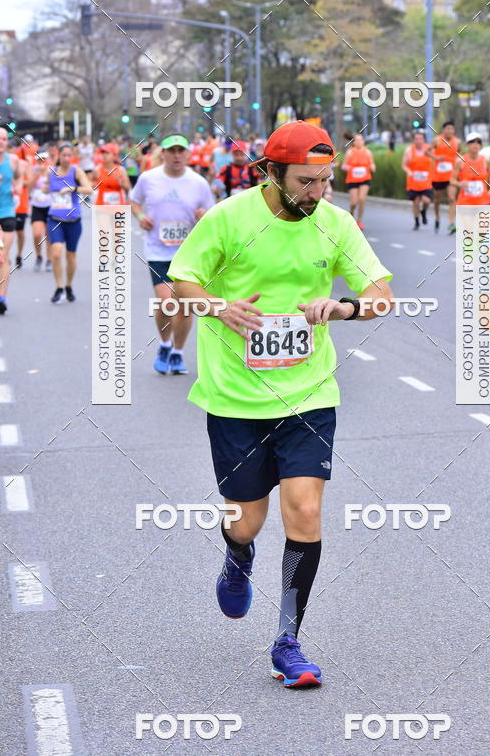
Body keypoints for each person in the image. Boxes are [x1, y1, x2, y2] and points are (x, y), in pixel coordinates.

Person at [168, 120, 393, 688]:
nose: (317, 192)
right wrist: (219, 307)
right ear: (271, 173)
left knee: (306, 510)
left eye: (325, 180)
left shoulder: (336, 223)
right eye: (305, 181)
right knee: (245, 523)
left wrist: (344, 308)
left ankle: (287, 641)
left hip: (309, 395)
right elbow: (183, 281)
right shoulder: (230, 219)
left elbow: (381, 297)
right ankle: (237, 557)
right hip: (236, 398)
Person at [130, 134, 215, 375]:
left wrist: (202, 216)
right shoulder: (148, 179)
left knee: (185, 306)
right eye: (172, 151)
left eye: (181, 150)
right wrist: (140, 217)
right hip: (158, 249)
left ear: (187, 154)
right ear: (163, 154)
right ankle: (165, 344)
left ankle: (177, 352)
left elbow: (212, 213)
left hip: (188, 252)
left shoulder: (199, 183)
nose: (176, 155)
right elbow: (134, 202)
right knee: (166, 303)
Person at [44, 143, 93, 303]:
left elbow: (89, 189)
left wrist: (73, 188)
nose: (66, 158)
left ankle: (68, 285)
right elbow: (46, 187)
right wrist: (44, 189)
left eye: (69, 156)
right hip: (55, 219)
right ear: (59, 155)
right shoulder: (51, 171)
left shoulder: (76, 171)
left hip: (73, 220)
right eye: (63, 155)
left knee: (71, 256)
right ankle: (59, 287)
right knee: (56, 253)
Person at [0, 126, 21, 313]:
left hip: (6, 212)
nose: (1, 141)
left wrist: (17, 187)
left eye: (4, 138)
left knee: (3, 255)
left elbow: (19, 178)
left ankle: (2, 297)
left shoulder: (13, 160)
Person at [427, 121, 460, 233]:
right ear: (443, 130)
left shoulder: (457, 142)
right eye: (447, 129)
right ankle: (437, 217)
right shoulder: (437, 140)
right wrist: (436, 157)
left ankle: (451, 223)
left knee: (452, 199)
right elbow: (427, 152)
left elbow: (460, 155)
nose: (450, 131)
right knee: (437, 200)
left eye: (452, 129)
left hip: (451, 176)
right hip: (438, 176)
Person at [451, 132, 490, 209]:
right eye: (472, 142)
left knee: (484, 221)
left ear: (481, 146)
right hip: (465, 203)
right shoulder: (460, 161)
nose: (476, 144)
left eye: (478, 142)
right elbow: (452, 180)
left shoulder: (486, 160)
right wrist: (459, 184)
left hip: (483, 202)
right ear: (467, 145)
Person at [341, 133, 375, 230]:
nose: (359, 142)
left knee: (362, 199)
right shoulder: (350, 153)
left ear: (363, 141)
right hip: (352, 179)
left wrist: (372, 167)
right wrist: (349, 168)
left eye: (361, 140)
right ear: (354, 142)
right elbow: (344, 166)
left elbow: (372, 163)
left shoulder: (368, 152)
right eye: (357, 140)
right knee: (354, 202)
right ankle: (351, 214)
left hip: (365, 179)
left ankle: (359, 221)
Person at [402, 129, 433, 230]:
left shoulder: (428, 149)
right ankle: (416, 221)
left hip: (426, 181)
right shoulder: (409, 151)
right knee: (415, 202)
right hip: (413, 181)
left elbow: (436, 159)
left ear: (424, 140)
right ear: (413, 140)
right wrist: (408, 171)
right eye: (416, 139)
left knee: (426, 201)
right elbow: (404, 165)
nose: (418, 141)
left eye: (420, 139)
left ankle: (423, 212)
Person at [29, 147, 53, 271]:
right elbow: (28, 187)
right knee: (37, 234)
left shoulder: (52, 171)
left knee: (49, 234)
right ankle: (39, 256)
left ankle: (49, 260)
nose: (41, 162)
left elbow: (57, 188)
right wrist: (36, 176)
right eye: (39, 160)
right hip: (37, 206)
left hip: (50, 206)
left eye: (44, 160)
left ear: (48, 159)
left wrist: (48, 177)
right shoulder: (34, 171)